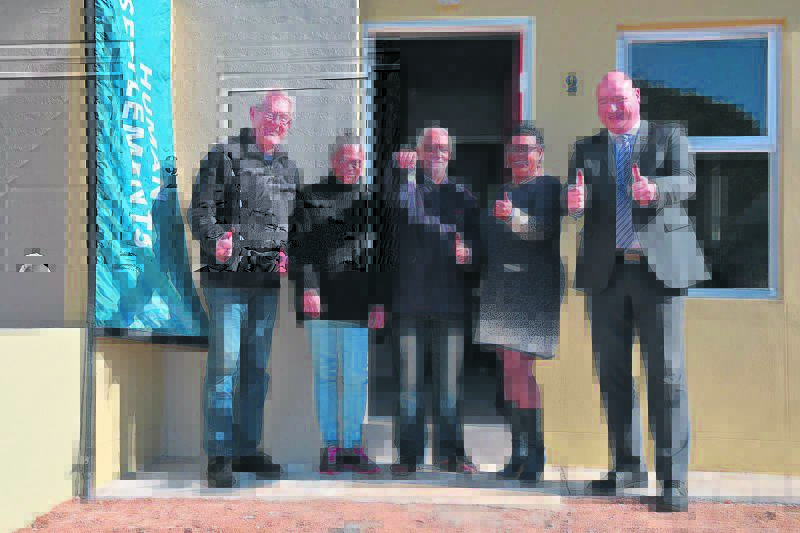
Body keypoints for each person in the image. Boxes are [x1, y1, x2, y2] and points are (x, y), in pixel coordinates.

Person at [567, 71, 709, 512]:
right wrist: (575, 205)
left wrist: (656, 189)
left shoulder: (669, 137)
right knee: (613, 374)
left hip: (658, 274)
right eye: (604, 101)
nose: (612, 108)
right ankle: (627, 467)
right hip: (606, 274)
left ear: (637, 96)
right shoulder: (586, 148)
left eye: (619, 98)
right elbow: (578, 196)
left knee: (666, 375)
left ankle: (673, 480)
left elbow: (688, 182)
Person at [189, 89, 300, 488]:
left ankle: (246, 449)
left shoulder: (289, 170)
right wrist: (215, 239)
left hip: (265, 283)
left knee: (255, 370)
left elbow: (294, 226)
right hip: (227, 282)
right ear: (254, 114)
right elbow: (199, 211)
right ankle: (219, 455)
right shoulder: (224, 157)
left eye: (284, 118)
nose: (276, 123)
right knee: (225, 366)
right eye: (271, 114)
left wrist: (290, 254)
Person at [383, 126, 481, 476]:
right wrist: (403, 172)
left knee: (449, 388)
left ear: (450, 153)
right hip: (409, 302)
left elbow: (479, 245)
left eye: (442, 148)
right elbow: (402, 212)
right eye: (429, 147)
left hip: (451, 304)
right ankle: (408, 456)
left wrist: (470, 254)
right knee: (408, 387)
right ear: (420, 153)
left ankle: (450, 454)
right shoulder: (406, 188)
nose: (436, 153)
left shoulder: (463, 196)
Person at [289, 132, 386, 475]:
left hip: (358, 302)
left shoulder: (370, 202)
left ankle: (352, 447)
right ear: (333, 161)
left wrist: (378, 301)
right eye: (347, 160)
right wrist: (309, 287)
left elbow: (381, 258)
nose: (353, 167)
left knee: (357, 376)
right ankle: (330, 447)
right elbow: (299, 249)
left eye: (358, 162)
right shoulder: (310, 197)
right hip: (320, 303)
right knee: (326, 375)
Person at [475, 123, 564, 483]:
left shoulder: (549, 187)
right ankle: (518, 453)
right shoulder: (502, 191)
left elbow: (544, 230)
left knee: (521, 369)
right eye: (514, 149)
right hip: (500, 289)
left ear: (540, 153)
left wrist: (513, 217)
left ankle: (536, 455)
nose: (519, 155)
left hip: (532, 289)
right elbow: (488, 240)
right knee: (508, 371)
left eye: (526, 149)